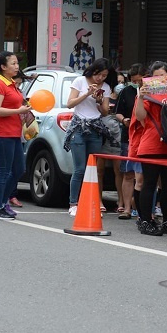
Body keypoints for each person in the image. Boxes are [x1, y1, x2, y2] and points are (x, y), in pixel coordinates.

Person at [133, 61, 167, 236]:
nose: (160, 79)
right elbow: (140, 117)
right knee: (149, 184)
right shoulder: (146, 94)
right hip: (151, 146)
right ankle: (146, 221)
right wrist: (140, 96)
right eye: (156, 76)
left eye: (163, 75)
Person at [65, 58, 113, 216]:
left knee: (92, 169)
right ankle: (73, 203)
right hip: (79, 127)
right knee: (79, 169)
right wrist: (87, 93)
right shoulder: (80, 81)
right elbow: (70, 103)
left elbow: (105, 111)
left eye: (104, 76)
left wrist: (99, 100)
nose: (100, 78)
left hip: (95, 128)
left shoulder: (105, 87)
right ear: (93, 70)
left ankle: (90, 202)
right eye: (99, 74)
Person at [0, 51, 31, 220]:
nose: (16, 66)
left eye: (16, 63)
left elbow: (16, 103)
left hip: (14, 133)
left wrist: (26, 107)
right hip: (2, 134)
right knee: (3, 171)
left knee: (19, 169)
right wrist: (18, 110)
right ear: (3, 67)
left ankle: (3, 201)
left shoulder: (12, 84)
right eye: (12, 64)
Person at [113, 64, 143, 219]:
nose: (136, 84)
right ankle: (126, 208)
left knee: (145, 175)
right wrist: (124, 119)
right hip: (129, 136)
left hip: (146, 136)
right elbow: (117, 112)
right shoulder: (126, 91)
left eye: (139, 80)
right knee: (128, 173)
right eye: (133, 81)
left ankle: (145, 209)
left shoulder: (149, 91)